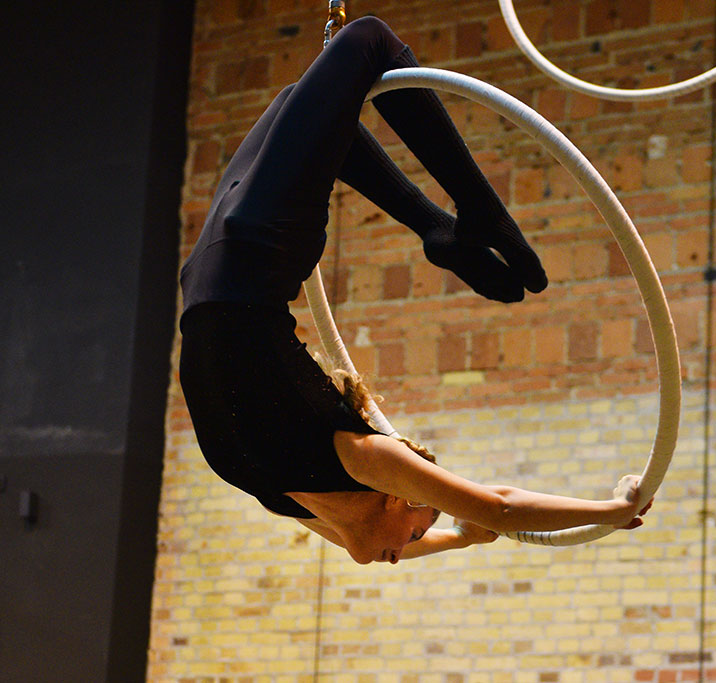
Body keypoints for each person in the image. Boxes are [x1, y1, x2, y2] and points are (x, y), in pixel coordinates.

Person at [178, 16, 652, 566]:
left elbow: (438, 530)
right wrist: (608, 512)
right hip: (256, 250)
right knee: (366, 42)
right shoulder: (361, 460)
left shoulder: (290, 498)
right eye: (414, 531)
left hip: (224, 250)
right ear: (401, 496)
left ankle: (437, 227)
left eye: (411, 540)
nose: (403, 553)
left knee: (313, 109)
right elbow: (498, 507)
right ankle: (475, 211)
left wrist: (458, 537)